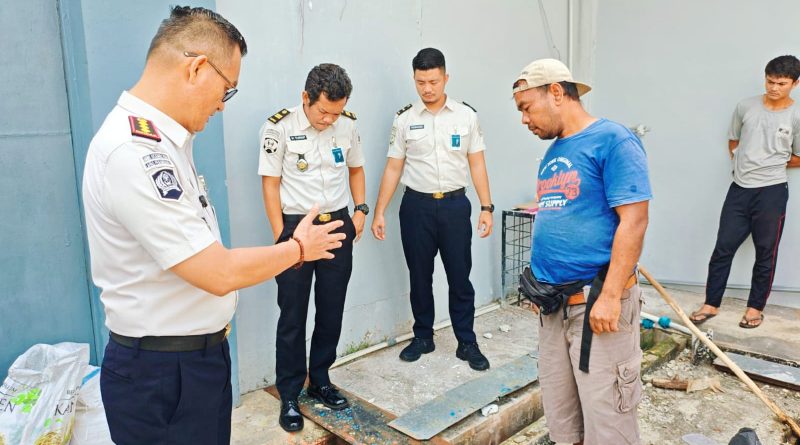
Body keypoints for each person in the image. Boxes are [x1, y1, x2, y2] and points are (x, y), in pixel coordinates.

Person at [82, 7, 345, 445]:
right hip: (163, 376)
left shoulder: (167, 143)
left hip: (192, 363)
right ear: (197, 68)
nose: (223, 104)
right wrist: (298, 249)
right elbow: (216, 272)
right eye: (228, 89)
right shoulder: (134, 152)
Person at [512, 58, 651, 445]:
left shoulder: (613, 140)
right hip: (553, 308)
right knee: (563, 419)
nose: (524, 119)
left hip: (597, 309)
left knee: (608, 424)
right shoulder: (556, 150)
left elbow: (635, 220)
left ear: (556, 92)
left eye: (527, 108)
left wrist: (609, 296)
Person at [371, 48, 494, 371]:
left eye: (433, 81)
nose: (427, 88)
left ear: (445, 78)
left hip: (455, 206)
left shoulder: (466, 116)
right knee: (419, 276)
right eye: (421, 82)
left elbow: (477, 164)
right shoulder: (405, 119)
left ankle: (467, 342)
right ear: (414, 79)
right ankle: (423, 336)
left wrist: (486, 206)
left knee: (459, 277)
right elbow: (393, 168)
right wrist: (379, 211)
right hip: (416, 208)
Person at [259, 63, 366, 432]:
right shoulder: (279, 127)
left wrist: (361, 209)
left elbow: (355, 168)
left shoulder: (347, 124)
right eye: (323, 111)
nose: (329, 119)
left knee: (331, 308)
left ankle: (320, 379)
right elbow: (270, 184)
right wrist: (282, 238)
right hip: (296, 227)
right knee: (292, 315)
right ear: (306, 98)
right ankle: (289, 393)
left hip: (337, 224)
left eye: (336, 112)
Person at [690, 55, 800, 329]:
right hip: (739, 189)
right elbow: (733, 140)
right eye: (770, 81)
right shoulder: (746, 106)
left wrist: (769, 162)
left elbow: (798, 156)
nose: (774, 87)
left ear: (795, 84)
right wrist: (743, 160)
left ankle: (754, 309)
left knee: (766, 252)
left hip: (772, 191)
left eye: (781, 83)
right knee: (723, 248)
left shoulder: (796, 115)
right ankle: (711, 303)